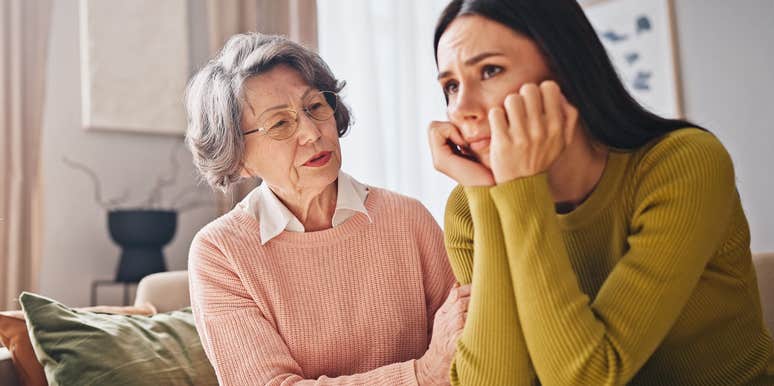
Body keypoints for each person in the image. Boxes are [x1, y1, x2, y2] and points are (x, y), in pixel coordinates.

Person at [426, 0, 774, 385]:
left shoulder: (684, 164)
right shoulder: (468, 207)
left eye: (490, 70)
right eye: (451, 86)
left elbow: (588, 378)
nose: (462, 108)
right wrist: (486, 195)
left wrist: (518, 190)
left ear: (566, 72)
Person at [185, 32, 465, 385]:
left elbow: (468, 342)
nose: (312, 133)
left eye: (315, 107)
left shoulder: (408, 219)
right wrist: (420, 375)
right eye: (281, 123)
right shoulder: (220, 252)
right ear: (239, 158)